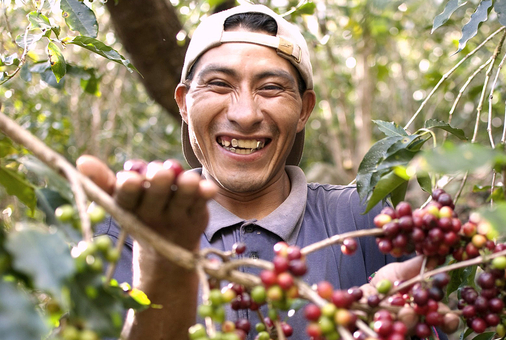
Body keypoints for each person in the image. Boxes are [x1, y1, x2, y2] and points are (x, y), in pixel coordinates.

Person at [81, 4, 460, 340]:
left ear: (303, 110)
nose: (245, 115)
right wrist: (161, 279)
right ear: (183, 103)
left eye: (272, 88)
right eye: (218, 84)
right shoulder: (128, 232)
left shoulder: (367, 221)